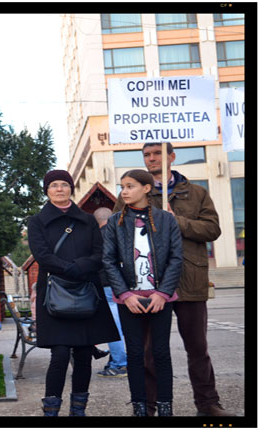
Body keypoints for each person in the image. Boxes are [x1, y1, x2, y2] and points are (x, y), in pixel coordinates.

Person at [114, 142, 232, 417]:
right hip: (149, 285)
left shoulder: (196, 192)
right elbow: (118, 230)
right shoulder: (132, 190)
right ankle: (149, 407)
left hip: (189, 279)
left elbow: (212, 229)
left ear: (171, 157)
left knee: (197, 348)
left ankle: (208, 404)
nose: (152, 159)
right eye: (147, 155)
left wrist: (175, 220)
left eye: (157, 154)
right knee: (149, 351)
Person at [27, 169, 120, 417]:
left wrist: (79, 268)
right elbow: (42, 256)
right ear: (47, 191)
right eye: (54, 185)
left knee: (82, 355)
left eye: (64, 185)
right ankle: (51, 411)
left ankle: (78, 412)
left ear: (71, 189)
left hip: (86, 292)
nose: (59, 189)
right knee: (59, 355)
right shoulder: (36, 221)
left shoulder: (88, 220)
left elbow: (99, 254)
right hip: (54, 293)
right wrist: (71, 269)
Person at [103, 169, 183, 417]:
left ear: (147, 188)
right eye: (122, 186)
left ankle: (165, 407)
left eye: (130, 186)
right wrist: (126, 295)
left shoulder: (166, 219)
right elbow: (108, 261)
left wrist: (163, 293)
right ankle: (139, 407)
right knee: (135, 354)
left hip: (161, 297)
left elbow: (176, 258)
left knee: (161, 352)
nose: (124, 191)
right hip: (130, 300)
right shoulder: (115, 222)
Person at [93, 207, 128, 377]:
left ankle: (120, 363)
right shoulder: (120, 233)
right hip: (124, 285)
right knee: (125, 325)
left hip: (106, 284)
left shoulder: (97, 237)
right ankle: (118, 360)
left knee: (113, 327)